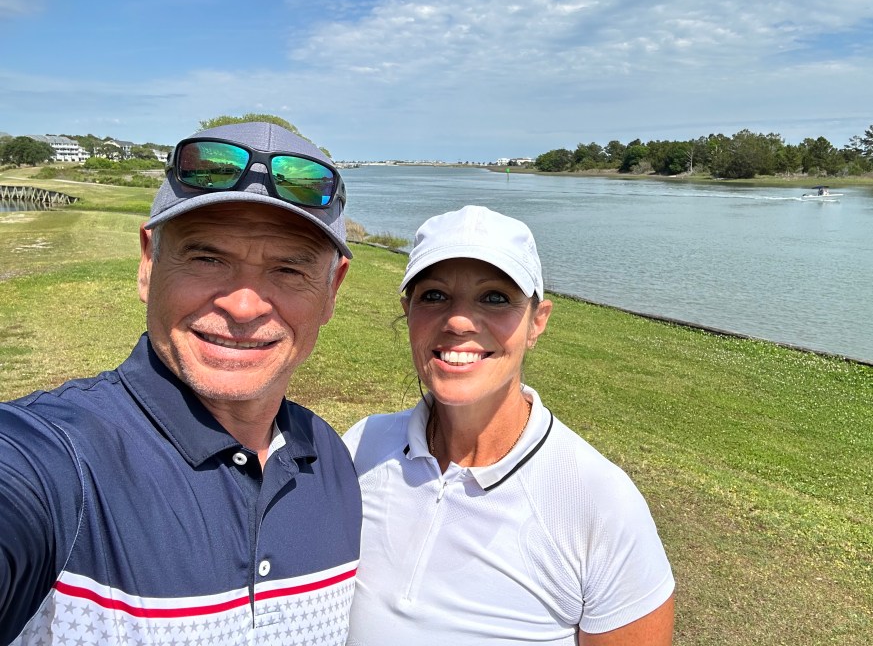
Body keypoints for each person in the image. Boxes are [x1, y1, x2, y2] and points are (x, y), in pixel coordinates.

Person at [0, 122, 361, 645]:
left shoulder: (328, 457)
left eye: (287, 269)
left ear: (333, 289)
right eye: (207, 258)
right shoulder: (54, 459)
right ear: (149, 262)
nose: (243, 305)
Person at [343, 205, 675, 645]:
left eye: (495, 297)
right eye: (434, 295)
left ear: (538, 322)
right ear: (409, 312)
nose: (459, 320)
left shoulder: (599, 501)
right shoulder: (360, 446)